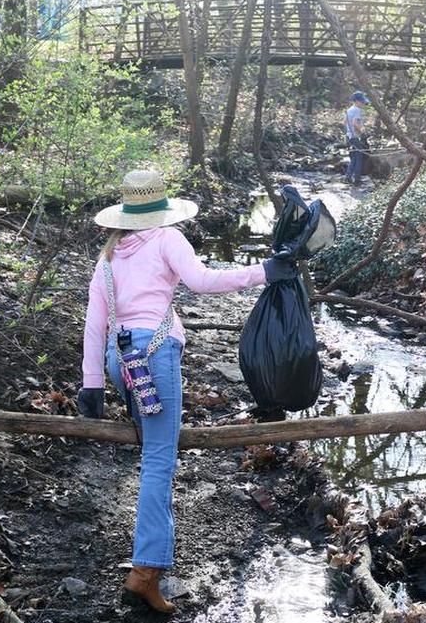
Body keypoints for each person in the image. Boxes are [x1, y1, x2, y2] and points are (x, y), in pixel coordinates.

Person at [76, 170, 297, 613]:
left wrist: (92, 386)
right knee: (160, 460)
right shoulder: (167, 239)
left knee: (153, 444)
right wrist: (265, 271)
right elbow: (203, 282)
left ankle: (147, 562)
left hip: (121, 363)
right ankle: (145, 572)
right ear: (160, 208)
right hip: (154, 357)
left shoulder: (108, 257)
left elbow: (94, 324)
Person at [345, 91, 370, 186]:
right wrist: (362, 132)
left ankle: (348, 177)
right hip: (355, 137)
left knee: (354, 158)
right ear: (356, 101)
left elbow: (345, 122)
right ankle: (357, 179)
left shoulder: (349, 109)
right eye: (362, 101)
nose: (363, 103)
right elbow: (355, 123)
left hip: (350, 136)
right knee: (359, 158)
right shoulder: (357, 110)